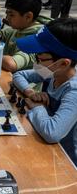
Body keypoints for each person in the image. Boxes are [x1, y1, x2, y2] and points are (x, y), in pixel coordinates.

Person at [13, 18, 77, 166]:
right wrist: (30, 92)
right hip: (42, 144)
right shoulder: (52, 71)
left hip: (65, 162)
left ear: (63, 63)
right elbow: (19, 75)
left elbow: (52, 133)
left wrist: (37, 107)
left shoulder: (73, 90)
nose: (36, 64)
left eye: (39, 58)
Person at [0, 0, 43, 72]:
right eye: (7, 13)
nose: (7, 18)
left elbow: (11, 64)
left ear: (28, 17)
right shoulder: (19, 28)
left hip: (21, 84)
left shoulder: (36, 40)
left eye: (11, 15)